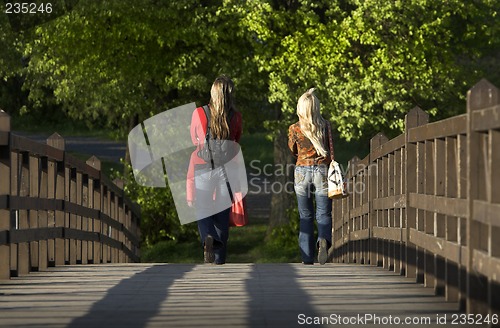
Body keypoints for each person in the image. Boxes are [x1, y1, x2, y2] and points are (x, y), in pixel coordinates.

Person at [186, 76, 242, 264]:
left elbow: (195, 139)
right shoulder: (236, 116)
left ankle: (207, 237)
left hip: (203, 166)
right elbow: (236, 139)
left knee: (203, 210)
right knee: (222, 214)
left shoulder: (199, 113)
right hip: (225, 169)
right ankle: (219, 260)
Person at [288, 88, 333, 265]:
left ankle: (307, 257)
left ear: (300, 108)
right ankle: (322, 239)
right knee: (323, 213)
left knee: (305, 215)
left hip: (301, 172)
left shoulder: (294, 128)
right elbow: (331, 151)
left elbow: (293, 151)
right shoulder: (325, 125)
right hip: (321, 171)